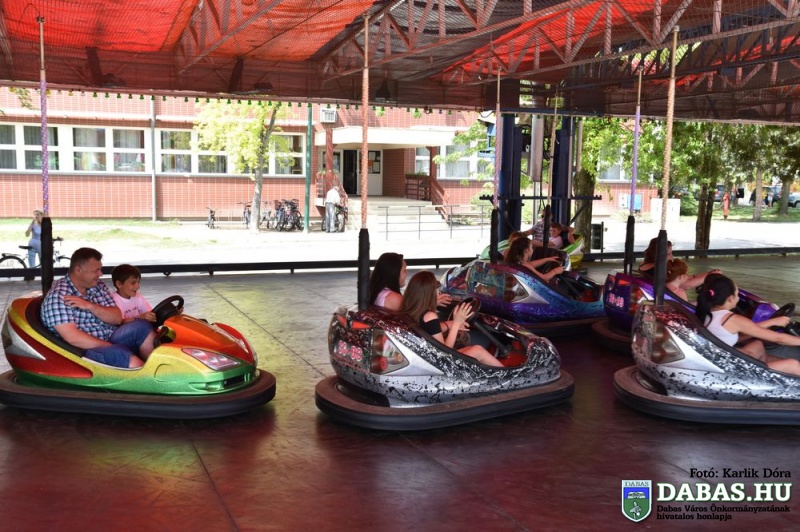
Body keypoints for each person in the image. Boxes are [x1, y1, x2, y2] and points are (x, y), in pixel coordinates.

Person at [40, 248, 156, 369]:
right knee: (121, 355)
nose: (100, 274)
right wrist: (109, 346)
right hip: (84, 350)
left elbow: (117, 318)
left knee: (142, 326)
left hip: (110, 337)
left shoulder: (97, 286)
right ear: (78, 270)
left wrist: (90, 306)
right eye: (96, 270)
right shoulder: (59, 297)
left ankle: (157, 367)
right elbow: (73, 338)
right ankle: (150, 377)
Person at [696, 275, 800, 375]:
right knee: (793, 365)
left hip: (721, 358)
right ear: (730, 298)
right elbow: (779, 338)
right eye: (737, 294)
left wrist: (772, 322)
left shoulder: (708, 313)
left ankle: (776, 375)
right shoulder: (732, 319)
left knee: (757, 345)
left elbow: (735, 338)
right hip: (731, 368)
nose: (738, 298)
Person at [400, 270, 503, 367]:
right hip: (440, 364)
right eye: (436, 291)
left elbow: (429, 328)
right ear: (429, 294)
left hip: (425, 358)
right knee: (478, 350)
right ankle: (508, 376)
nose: (438, 294)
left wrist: (448, 321)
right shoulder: (429, 316)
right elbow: (445, 352)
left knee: (471, 348)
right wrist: (456, 323)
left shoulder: (411, 309)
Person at [369, 252, 452, 312]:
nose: (407, 273)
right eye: (404, 270)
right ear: (394, 273)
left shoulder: (378, 292)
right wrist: (431, 304)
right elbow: (414, 318)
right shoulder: (393, 298)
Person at [638, 237, 720, 289]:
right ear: (658, 254)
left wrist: (708, 273)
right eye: (668, 254)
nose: (672, 257)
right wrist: (709, 276)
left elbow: (682, 278)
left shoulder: (646, 265)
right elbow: (685, 284)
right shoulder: (658, 270)